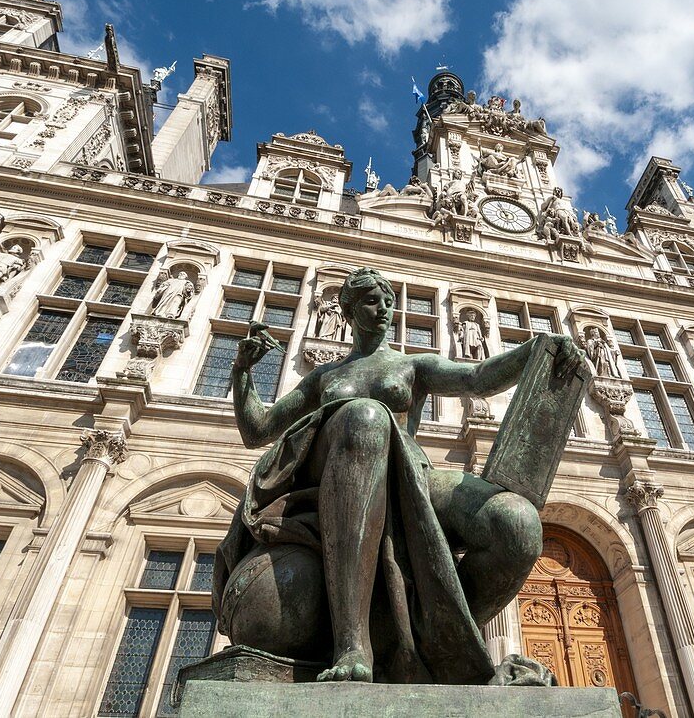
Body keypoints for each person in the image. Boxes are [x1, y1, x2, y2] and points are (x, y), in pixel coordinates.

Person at [214, 267, 583, 685]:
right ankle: (353, 644)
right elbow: (257, 430)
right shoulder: (325, 377)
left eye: (389, 301)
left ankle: (438, 640)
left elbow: (477, 379)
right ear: (349, 311)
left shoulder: (412, 366)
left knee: (516, 525)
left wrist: (534, 349)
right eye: (373, 301)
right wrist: (242, 373)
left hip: (412, 471)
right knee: (364, 416)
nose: (385, 309)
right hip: (337, 479)